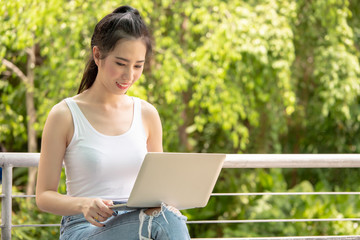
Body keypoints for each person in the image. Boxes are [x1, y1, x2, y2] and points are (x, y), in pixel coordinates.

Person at [36, 6, 191, 240]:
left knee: (167, 217)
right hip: (84, 227)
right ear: (97, 55)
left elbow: (159, 189)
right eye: (121, 63)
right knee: (163, 221)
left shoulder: (147, 114)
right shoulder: (64, 115)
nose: (129, 75)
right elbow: (44, 196)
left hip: (139, 219)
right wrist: (83, 205)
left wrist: (169, 204)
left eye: (138, 66)